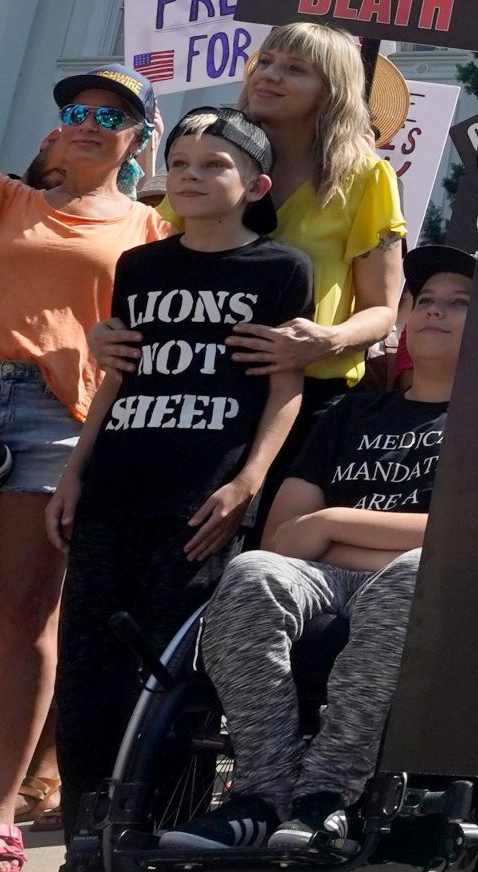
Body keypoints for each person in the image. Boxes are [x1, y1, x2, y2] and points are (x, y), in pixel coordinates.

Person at [0, 0, 167, 872]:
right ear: (53, 134)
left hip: (58, 415)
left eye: (113, 116)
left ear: (138, 141)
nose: (88, 125)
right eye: (76, 113)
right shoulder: (5, 199)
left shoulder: (150, 229)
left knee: (24, 613)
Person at [48, 106, 310, 862]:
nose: (193, 176)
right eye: (183, 162)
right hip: (113, 492)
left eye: (215, 164)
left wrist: (249, 484)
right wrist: (74, 470)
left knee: (169, 683)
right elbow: (115, 378)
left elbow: (284, 387)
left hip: (200, 503)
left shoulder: (281, 269)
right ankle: (85, 843)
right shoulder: (140, 267)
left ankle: (158, 838)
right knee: (89, 681)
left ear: (256, 184)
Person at [160, 244, 471, 854]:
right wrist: (340, 536)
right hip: (332, 579)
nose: (435, 312)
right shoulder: (351, 414)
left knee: (413, 572)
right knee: (252, 570)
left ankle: (326, 796)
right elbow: (286, 538)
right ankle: (262, 795)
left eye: (459, 304)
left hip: (428, 589)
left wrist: (331, 523)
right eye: (426, 300)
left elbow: (465, 539)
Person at [91, 23, 406, 508]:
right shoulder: (211, 158)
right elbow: (151, 265)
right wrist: (105, 331)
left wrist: (328, 339)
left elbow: (383, 309)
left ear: (333, 90)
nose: (270, 75)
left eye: (295, 69)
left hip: (311, 398)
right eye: (267, 61)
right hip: (196, 389)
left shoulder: (365, 176)